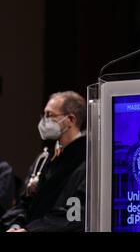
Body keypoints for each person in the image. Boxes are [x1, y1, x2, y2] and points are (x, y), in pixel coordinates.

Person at [1, 91, 86, 232]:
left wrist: (31, 230)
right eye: (44, 115)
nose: (44, 121)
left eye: (49, 115)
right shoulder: (43, 160)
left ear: (70, 119)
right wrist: (15, 225)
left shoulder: (85, 162)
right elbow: (25, 203)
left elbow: (75, 213)